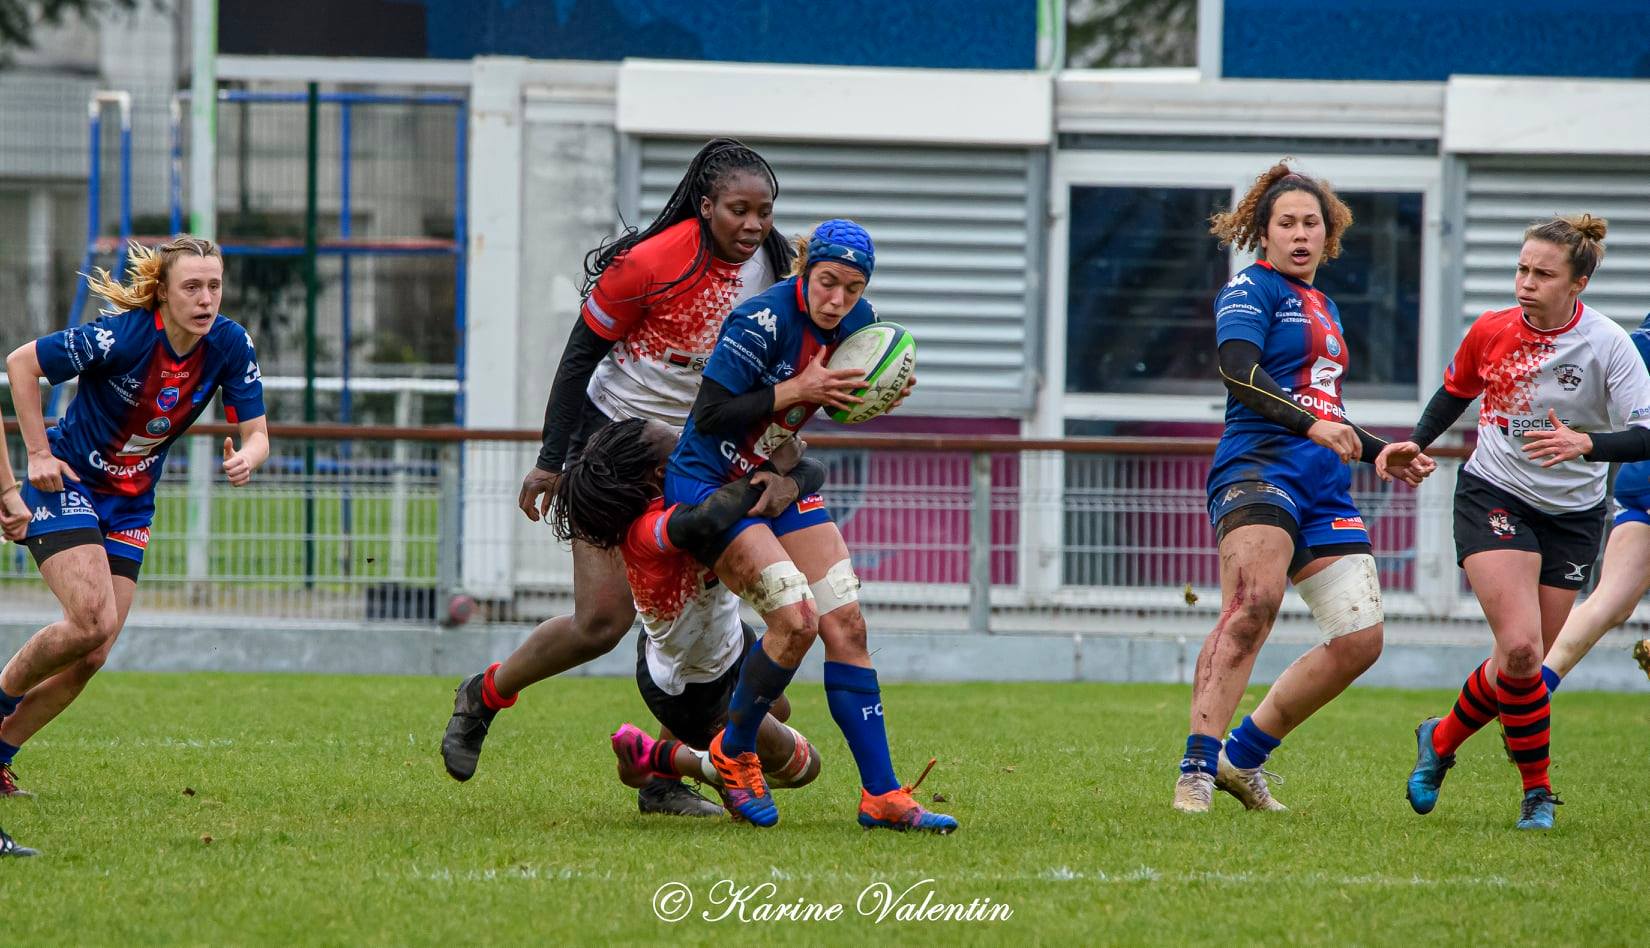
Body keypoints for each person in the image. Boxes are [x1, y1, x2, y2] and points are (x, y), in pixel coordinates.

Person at [440, 139, 798, 817]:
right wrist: (551, 460)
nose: (753, 225)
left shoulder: (778, 268)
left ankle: (661, 781)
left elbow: (790, 360)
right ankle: (482, 696)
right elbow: (579, 357)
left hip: (699, 455)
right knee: (602, 621)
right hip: (612, 449)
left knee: (706, 633)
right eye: (739, 210)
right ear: (705, 206)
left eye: (765, 211)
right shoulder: (650, 263)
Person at [666, 218, 953, 833]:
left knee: (846, 622)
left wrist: (876, 394)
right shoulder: (761, 320)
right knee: (794, 620)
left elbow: (837, 397)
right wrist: (797, 388)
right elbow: (710, 415)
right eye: (827, 282)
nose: (838, 300)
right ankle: (733, 753)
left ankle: (882, 795)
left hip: (773, 477)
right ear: (804, 270)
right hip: (711, 486)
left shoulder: (859, 321)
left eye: (853, 288)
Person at [1173, 162, 1434, 815]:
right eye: (1286, 223)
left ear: (1328, 234)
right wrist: (1313, 425)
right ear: (1263, 233)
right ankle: (1196, 770)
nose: (1299, 234)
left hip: (1322, 481)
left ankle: (1241, 757)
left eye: (1310, 223)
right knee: (1252, 606)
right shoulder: (1249, 287)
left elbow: (1324, 406)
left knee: (1360, 639)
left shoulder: (1326, 306)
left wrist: (1379, 450)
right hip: (1259, 466)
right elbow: (1238, 370)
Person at [1383, 214, 1650, 830]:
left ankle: (1440, 738)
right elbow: (1456, 391)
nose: (1526, 283)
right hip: (1494, 494)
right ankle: (1538, 792)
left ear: (1578, 283)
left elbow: (1646, 432)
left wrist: (1586, 443)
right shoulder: (1492, 329)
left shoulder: (1609, 344)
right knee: (1525, 648)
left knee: (1519, 662)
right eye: (1521, 269)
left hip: (1574, 515)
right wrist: (1415, 443)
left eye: (1543, 274)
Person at [0, 236, 268, 805]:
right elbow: (21, 363)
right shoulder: (120, 337)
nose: (205, 299)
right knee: (90, 620)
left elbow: (257, 433)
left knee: (93, 654)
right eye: (191, 287)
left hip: (131, 504)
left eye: (214, 286)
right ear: (163, 294)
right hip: (67, 484)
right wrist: (38, 454)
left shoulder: (229, 343)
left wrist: (249, 457)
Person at [544, 418, 824, 806]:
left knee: (781, 709)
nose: (685, 439)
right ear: (661, 471)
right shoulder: (645, 528)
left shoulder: (700, 487)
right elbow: (706, 519)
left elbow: (813, 469)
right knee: (804, 766)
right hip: (690, 688)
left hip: (732, 643)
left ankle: (687, 761)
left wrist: (785, 482)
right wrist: (774, 471)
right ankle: (659, 758)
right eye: (676, 440)